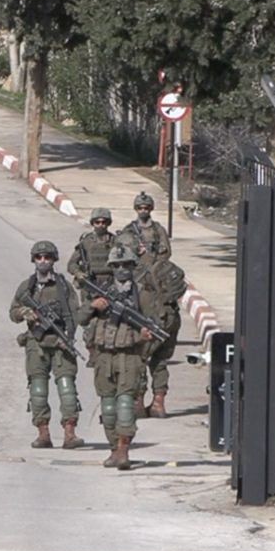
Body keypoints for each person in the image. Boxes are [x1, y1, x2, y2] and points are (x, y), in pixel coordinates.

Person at [77, 244, 160, 470]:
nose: (122, 269)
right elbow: (80, 318)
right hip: (104, 357)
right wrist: (93, 306)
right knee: (108, 408)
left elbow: (155, 326)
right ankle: (114, 449)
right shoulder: (100, 291)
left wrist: (143, 338)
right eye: (117, 265)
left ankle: (123, 449)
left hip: (129, 356)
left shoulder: (142, 294)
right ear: (111, 267)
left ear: (133, 266)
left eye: (126, 265)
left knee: (125, 404)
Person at [9, 240, 84, 449]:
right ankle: (43, 433)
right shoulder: (27, 287)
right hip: (36, 344)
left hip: (60, 343)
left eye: (47, 257)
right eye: (39, 257)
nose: (43, 261)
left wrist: (68, 337)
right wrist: (24, 312)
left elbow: (74, 315)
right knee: (38, 389)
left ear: (54, 260)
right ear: (33, 260)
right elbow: (13, 312)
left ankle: (70, 433)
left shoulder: (63, 286)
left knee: (67, 388)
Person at [137, 251, 186, 418]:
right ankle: (159, 403)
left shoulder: (141, 269)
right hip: (172, 318)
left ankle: (138, 403)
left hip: (156, 319)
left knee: (139, 358)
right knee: (160, 360)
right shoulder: (163, 266)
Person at [68, 207, 116, 366]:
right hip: (90, 287)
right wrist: (79, 274)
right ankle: (92, 352)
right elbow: (71, 264)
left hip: (111, 286)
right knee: (88, 322)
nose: (100, 225)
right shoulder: (86, 242)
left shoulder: (115, 242)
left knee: (110, 320)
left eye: (104, 222)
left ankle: (108, 352)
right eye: (97, 222)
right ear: (93, 223)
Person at [116, 190, 171, 261]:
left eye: (146, 208)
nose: (143, 210)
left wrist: (153, 259)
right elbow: (121, 250)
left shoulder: (158, 229)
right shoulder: (129, 229)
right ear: (136, 209)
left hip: (154, 263)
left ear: (151, 209)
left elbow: (166, 252)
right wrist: (135, 250)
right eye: (140, 208)